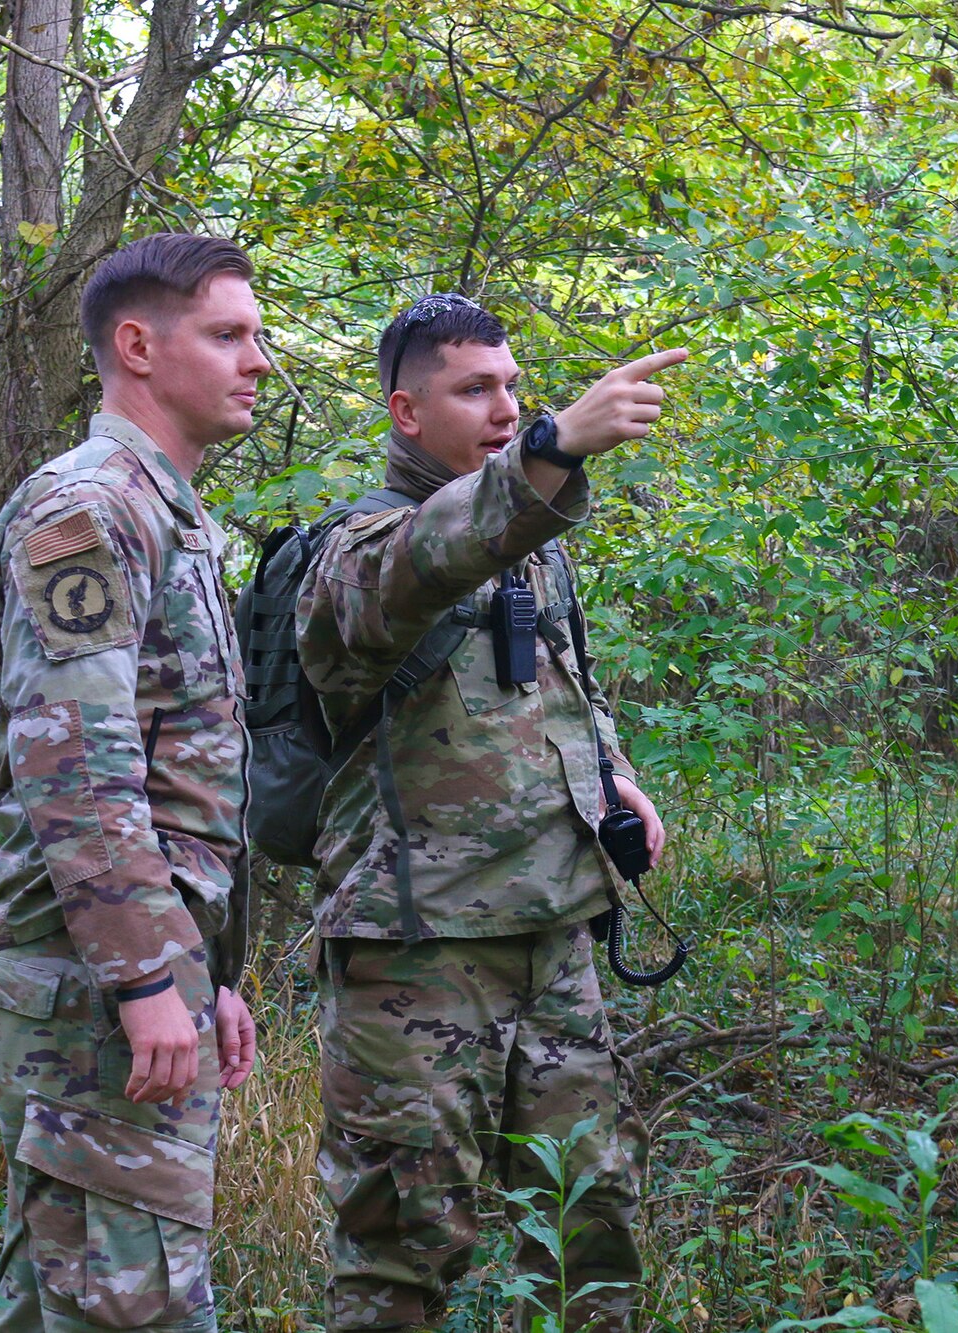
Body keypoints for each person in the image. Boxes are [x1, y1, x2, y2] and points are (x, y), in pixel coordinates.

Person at [297, 293, 683, 1332]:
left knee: (587, 1226)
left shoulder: (532, 543)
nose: (506, 408)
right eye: (475, 389)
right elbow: (429, 559)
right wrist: (556, 445)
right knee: (404, 1254)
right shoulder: (356, 550)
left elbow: (558, 681)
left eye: (515, 388)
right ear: (404, 412)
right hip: (417, 950)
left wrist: (611, 774)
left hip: (550, 938)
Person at [0, 232, 268, 1332]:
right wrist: (148, 981)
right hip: (88, 993)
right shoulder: (89, 510)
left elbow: (178, 783)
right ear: (137, 346)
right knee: (126, 1307)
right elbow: (77, 773)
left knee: (66, 1298)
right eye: (229, 334)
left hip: (124, 983)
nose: (260, 360)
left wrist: (203, 975)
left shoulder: (168, 516)